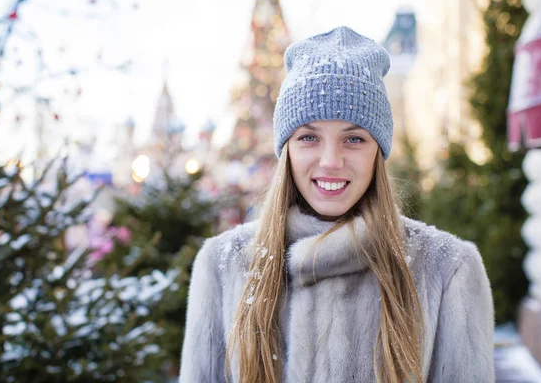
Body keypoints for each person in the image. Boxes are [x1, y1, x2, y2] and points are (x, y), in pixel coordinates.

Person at [179, 26, 494, 383]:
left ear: (379, 151)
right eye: (309, 137)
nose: (331, 160)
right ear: (287, 151)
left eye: (354, 138)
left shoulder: (447, 269)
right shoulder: (224, 264)